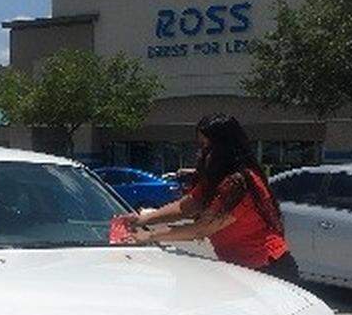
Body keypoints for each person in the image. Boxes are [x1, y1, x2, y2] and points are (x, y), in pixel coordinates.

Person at [122, 115, 299, 283]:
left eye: (207, 146)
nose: (202, 153)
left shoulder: (239, 183)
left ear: (225, 147)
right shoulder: (218, 178)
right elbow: (187, 206)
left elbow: (201, 229)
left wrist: (148, 235)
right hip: (241, 268)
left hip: (267, 268)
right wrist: (141, 220)